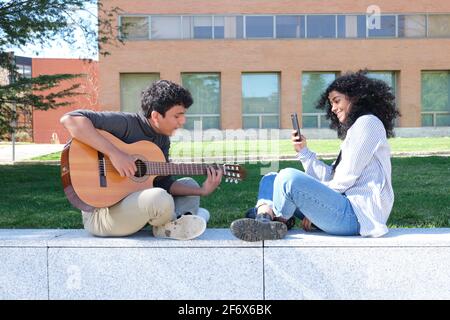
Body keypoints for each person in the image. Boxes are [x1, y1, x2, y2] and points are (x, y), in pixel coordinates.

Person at [231, 70, 400, 241]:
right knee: (271, 179)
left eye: (336, 101)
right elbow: (331, 176)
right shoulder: (356, 129)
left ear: (354, 98)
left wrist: (319, 209)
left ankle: (277, 219)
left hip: (358, 216)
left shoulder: (367, 123)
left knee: (288, 177)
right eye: (331, 103)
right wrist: (304, 152)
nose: (333, 108)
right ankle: (264, 220)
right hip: (343, 208)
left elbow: (345, 178)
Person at [60, 80, 222, 240]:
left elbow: (164, 183)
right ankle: (183, 221)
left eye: (183, 115)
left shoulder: (162, 141)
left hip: (136, 211)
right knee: (158, 198)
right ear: (156, 115)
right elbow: (71, 119)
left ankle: (175, 224)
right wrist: (115, 154)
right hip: (102, 216)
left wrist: (202, 190)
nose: (183, 121)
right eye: (177, 116)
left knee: (189, 184)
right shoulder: (127, 123)